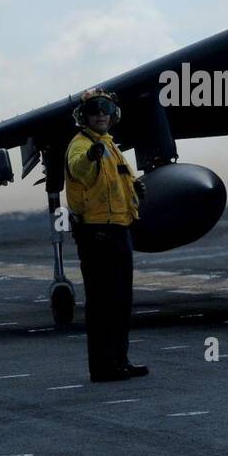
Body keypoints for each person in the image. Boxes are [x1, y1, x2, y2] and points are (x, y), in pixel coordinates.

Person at [65, 89, 148, 383]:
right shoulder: (82, 145)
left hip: (119, 229)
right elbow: (79, 169)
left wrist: (137, 188)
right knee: (102, 303)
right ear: (84, 116)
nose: (101, 114)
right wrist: (90, 156)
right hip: (97, 233)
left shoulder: (111, 146)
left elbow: (121, 180)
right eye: (95, 109)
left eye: (106, 109)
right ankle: (102, 368)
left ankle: (119, 361)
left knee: (121, 301)